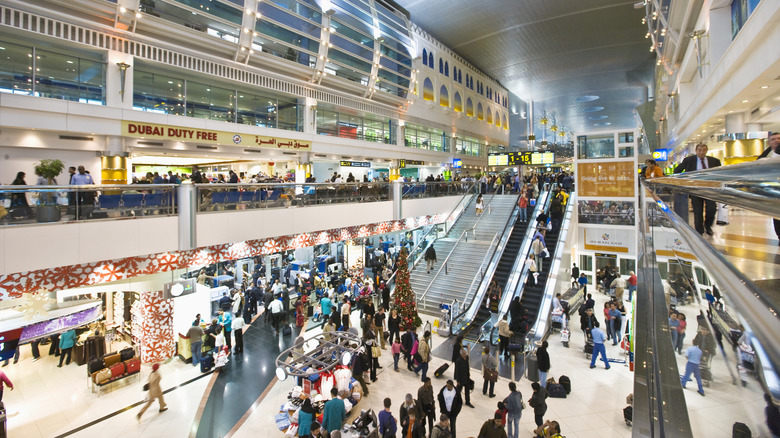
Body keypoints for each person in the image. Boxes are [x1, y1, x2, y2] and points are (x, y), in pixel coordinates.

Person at [674, 143, 721, 235]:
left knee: (711, 209)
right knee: (698, 210)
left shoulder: (714, 161)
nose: (702, 152)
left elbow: (720, 173)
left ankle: (708, 226)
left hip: (709, 189)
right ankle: (699, 230)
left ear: (706, 151)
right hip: (695, 189)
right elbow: (677, 170)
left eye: (704, 150)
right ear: (696, 151)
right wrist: (684, 181)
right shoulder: (689, 160)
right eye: (699, 150)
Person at [757, 132, 780, 241]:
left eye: (779, 138)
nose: (776, 141)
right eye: (773, 139)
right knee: (776, 216)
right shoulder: (768, 155)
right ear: (769, 142)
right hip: (774, 192)